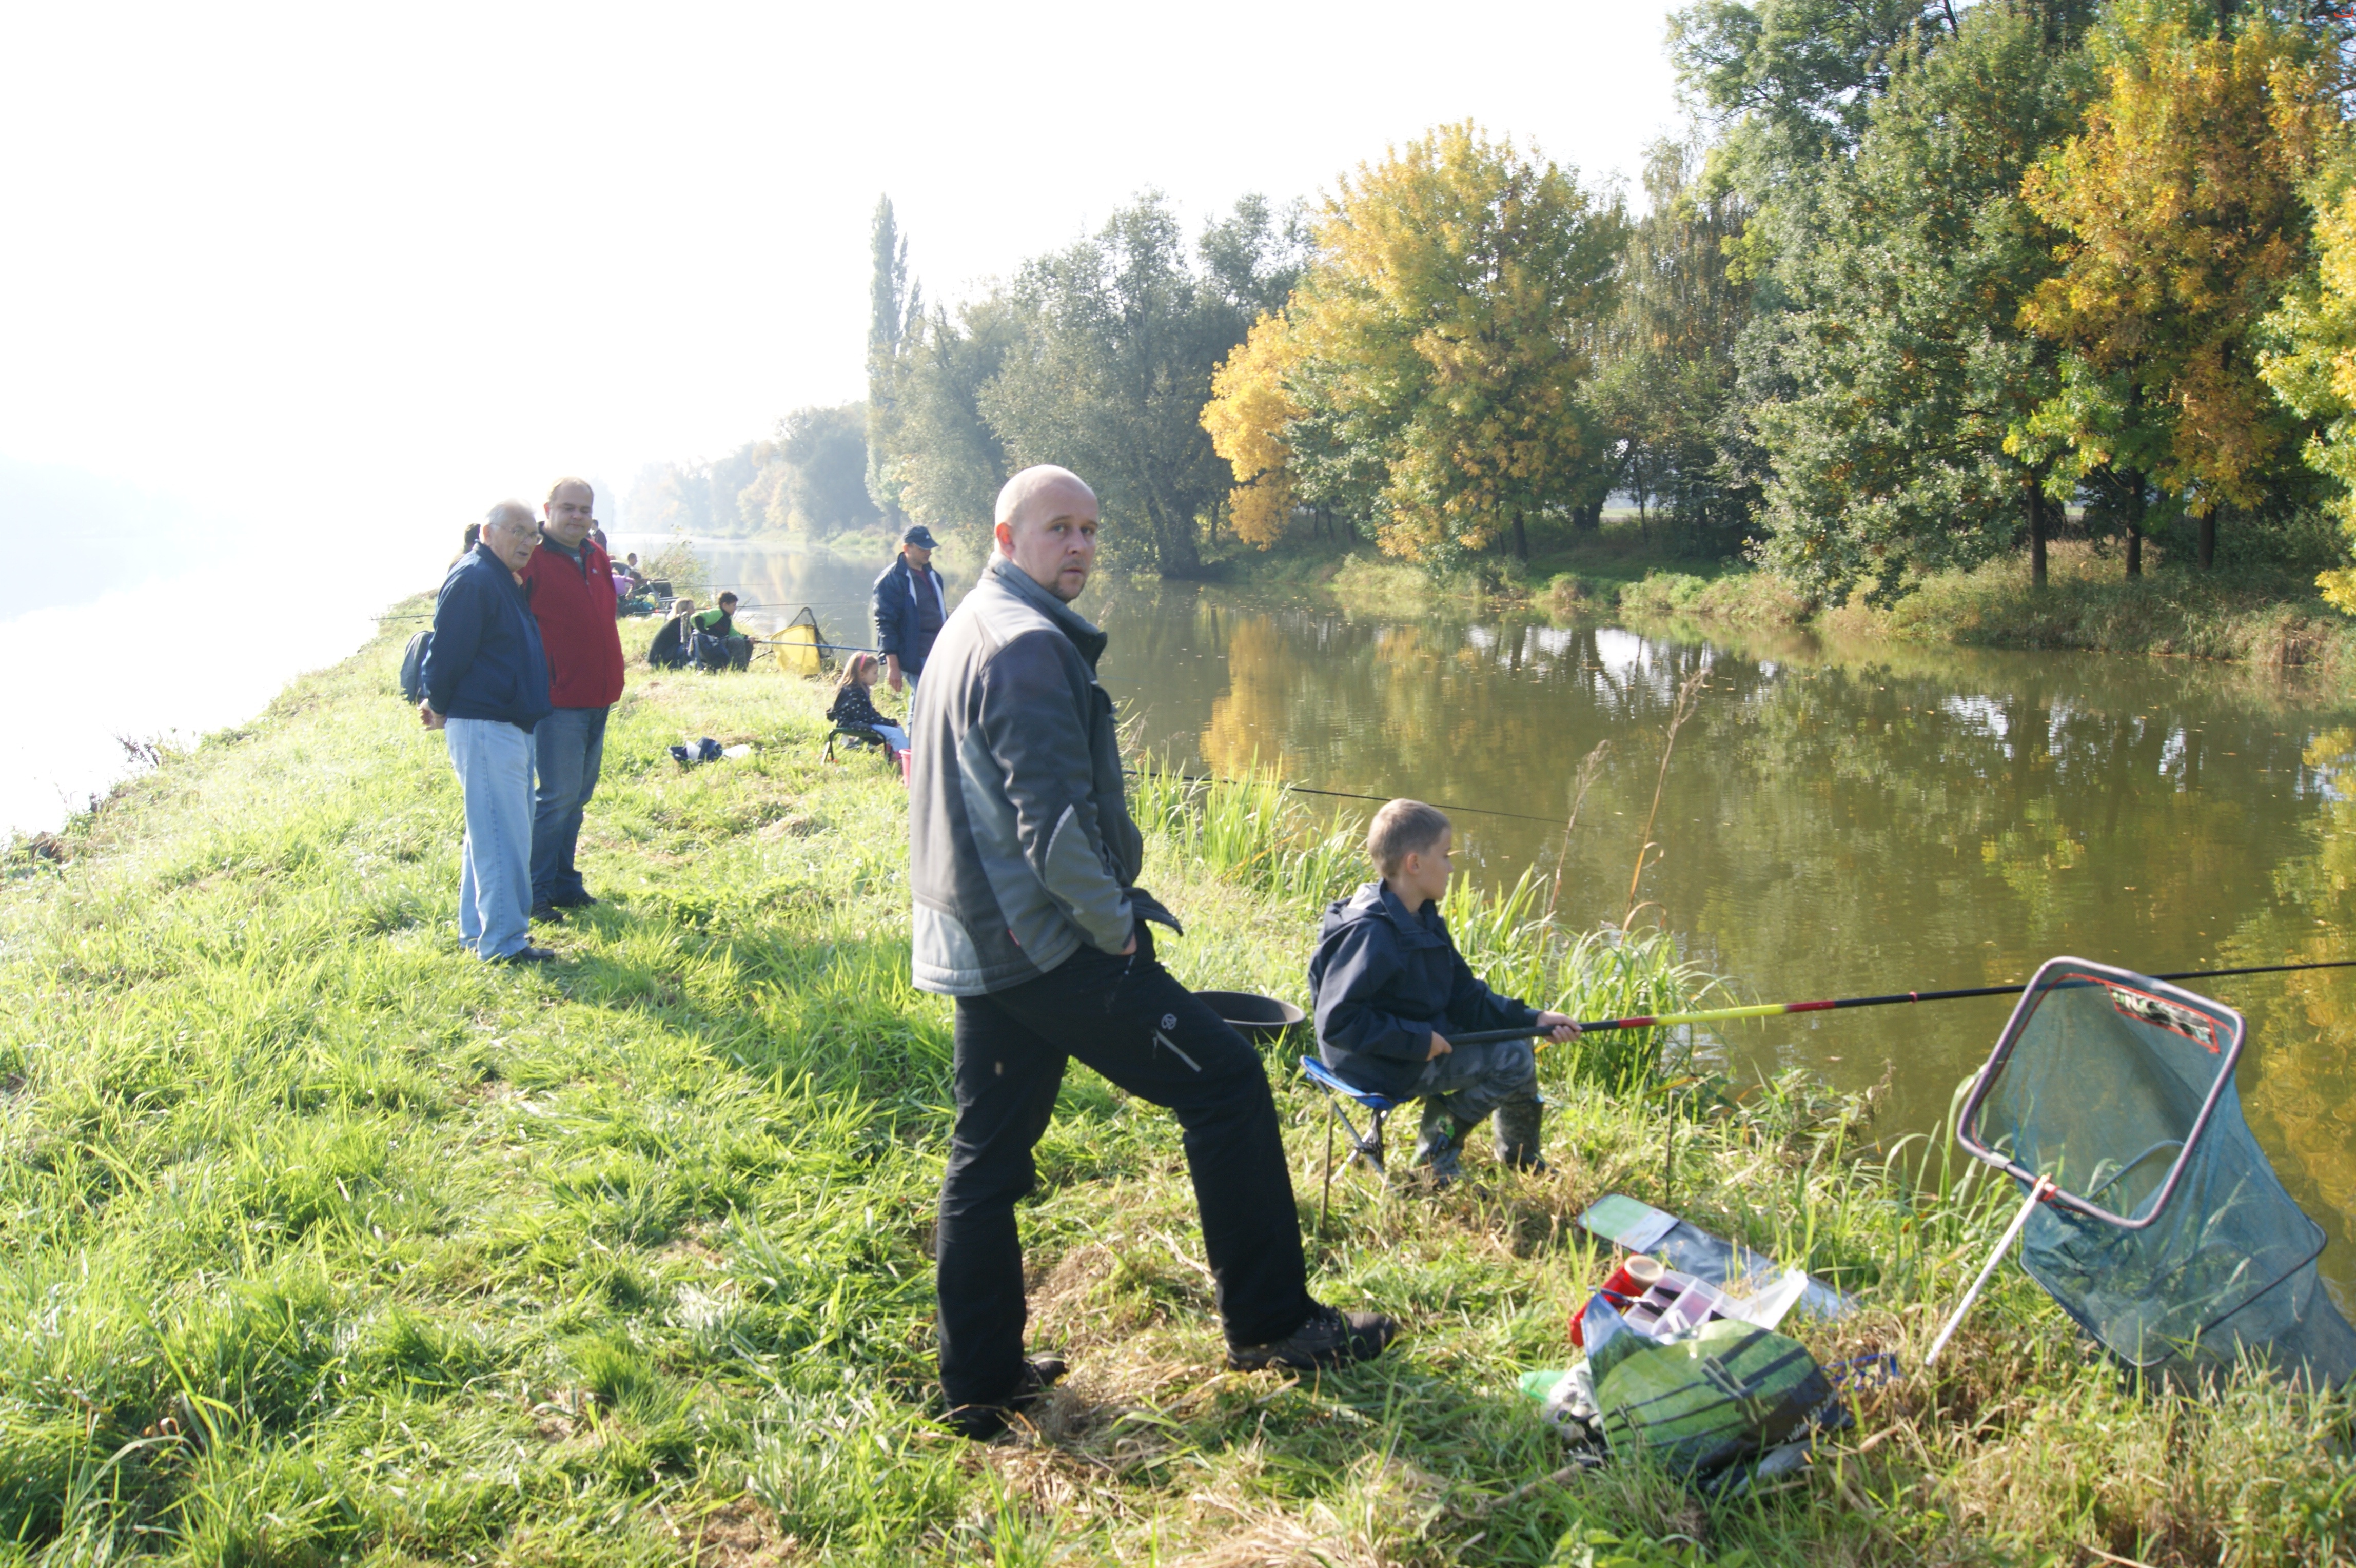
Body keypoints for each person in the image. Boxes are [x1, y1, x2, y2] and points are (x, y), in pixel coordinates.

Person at [908, 463, 1396, 1441]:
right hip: (1049, 944)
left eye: (1091, 529)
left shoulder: (970, 625)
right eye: (1059, 528)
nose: (1079, 546)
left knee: (987, 1156)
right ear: (1006, 538)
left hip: (978, 939)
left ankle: (981, 1383)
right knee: (1225, 1082)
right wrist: (1114, 932)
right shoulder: (1025, 646)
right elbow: (1052, 829)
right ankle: (1273, 1324)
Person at [1306, 800, 1581, 1184]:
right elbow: (1339, 1022)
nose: (1451, 867)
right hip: (1370, 1062)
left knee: (1519, 1040)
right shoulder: (1372, 933)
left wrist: (1533, 1019)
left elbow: (1464, 996)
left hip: (1407, 1041)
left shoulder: (1422, 917)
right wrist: (1417, 1041)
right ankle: (1434, 1159)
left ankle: (1520, 1156)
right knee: (1514, 1058)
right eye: (1446, 855)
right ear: (1414, 864)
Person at [419, 502, 555, 964]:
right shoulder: (476, 578)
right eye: (516, 531)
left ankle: (477, 933)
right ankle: (504, 945)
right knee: (503, 838)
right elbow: (445, 654)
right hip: (486, 725)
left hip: (505, 723)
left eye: (533, 534)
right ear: (487, 532)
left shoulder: (499, 578)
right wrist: (439, 704)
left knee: (489, 833)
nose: (527, 542)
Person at [520, 478, 625, 925]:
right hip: (558, 700)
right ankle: (534, 892)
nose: (577, 517)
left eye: (585, 509)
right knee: (556, 798)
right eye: (568, 508)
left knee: (578, 797)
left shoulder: (596, 555)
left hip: (599, 695)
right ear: (548, 510)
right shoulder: (531, 559)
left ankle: (565, 882)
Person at [872, 524, 948, 693]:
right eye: (923, 548)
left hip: (939, 650)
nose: (928, 552)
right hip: (914, 654)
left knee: (934, 700)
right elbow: (885, 624)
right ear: (907, 548)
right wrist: (893, 666)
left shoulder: (935, 577)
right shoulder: (890, 579)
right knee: (924, 699)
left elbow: (941, 614)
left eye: (930, 548)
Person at [827, 651, 909, 754]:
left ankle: (892, 755)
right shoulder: (854, 693)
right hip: (855, 724)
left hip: (862, 722)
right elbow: (866, 717)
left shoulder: (858, 690)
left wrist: (889, 722)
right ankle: (903, 759)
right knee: (895, 733)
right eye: (875, 673)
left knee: (898, 728)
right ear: (862, 675)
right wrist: (889, 722)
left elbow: (869, 714)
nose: (878, 676)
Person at [690, 593, 751, 671]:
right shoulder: (717, 613)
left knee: (747, 643)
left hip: (720, 643)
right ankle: (738, 669)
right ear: (725, 605)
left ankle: (742, 668)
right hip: (710, 645)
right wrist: (706, 633)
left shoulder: (728, 618)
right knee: (738, 642)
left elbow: (733, 634)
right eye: (734, 605)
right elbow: (695, 617)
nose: (735, 608)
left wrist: (747, 638)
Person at [648, 598, 694, 669]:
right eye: (692, 608)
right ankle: (681, 665)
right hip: (658, 659)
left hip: (669, 652)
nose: (694, 610)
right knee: (689, 647)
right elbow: (688, 640)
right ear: (684, 610)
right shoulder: (677, 623)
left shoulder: (681, 621)